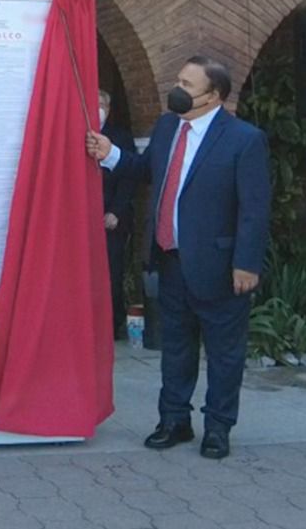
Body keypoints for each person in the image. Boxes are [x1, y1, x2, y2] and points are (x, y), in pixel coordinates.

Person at [87, 56, 270, 460]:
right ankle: (174, 420)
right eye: (179, 81)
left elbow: (254, 210)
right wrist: (111, 154)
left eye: (188, 85)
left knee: (223, 354)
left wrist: (246, 263)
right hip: (170, 260)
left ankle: (218, 427)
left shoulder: (244, 139)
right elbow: (146, 169)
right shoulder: (169, 126)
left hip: (220, 267)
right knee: (176, 349)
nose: (178, 89)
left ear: (213, 95)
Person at [98, 90, 138, 340]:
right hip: (84, 219)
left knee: (112, 271)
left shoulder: (120, 137)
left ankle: (112, 324)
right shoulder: (77, 132)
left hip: (111, 217)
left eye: (102, 103)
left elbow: (129, 177)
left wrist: (116, 211)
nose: (98, 108)